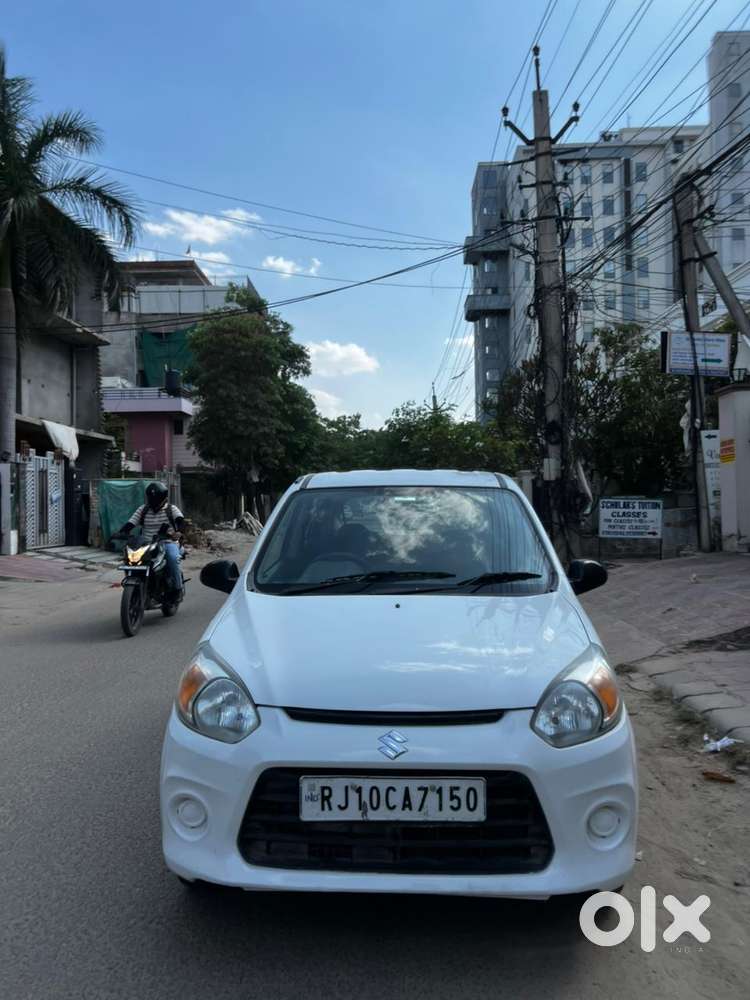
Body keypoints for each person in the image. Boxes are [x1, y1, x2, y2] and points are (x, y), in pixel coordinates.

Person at [117, 482, 185, 599]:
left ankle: (177, 589)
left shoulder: (171, 509)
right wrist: (121, 533)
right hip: (146, 544)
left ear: (164, 498)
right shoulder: (143, 509)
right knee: (130, 560)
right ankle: (138, 585)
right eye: (151, 498)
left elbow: (180, 521)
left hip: (167, 542)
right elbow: (130, 523)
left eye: (156, 499)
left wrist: (178, 532)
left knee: (172, 558)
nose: (153, 502)